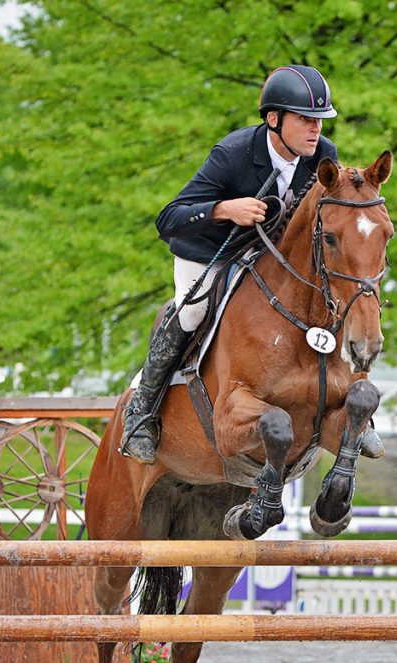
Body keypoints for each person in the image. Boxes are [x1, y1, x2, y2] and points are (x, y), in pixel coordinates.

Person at [120, 65, 383, 465]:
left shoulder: (323, 156)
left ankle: (357, 416)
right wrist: (226, 209)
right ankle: (141, 410)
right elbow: (168, 217)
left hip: (272, 255)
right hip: (211, 250)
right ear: (273, 119)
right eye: (305, 120)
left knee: (329, 298)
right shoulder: (234, 154)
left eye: (319, 121)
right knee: (191, 310)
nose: (315, 130)